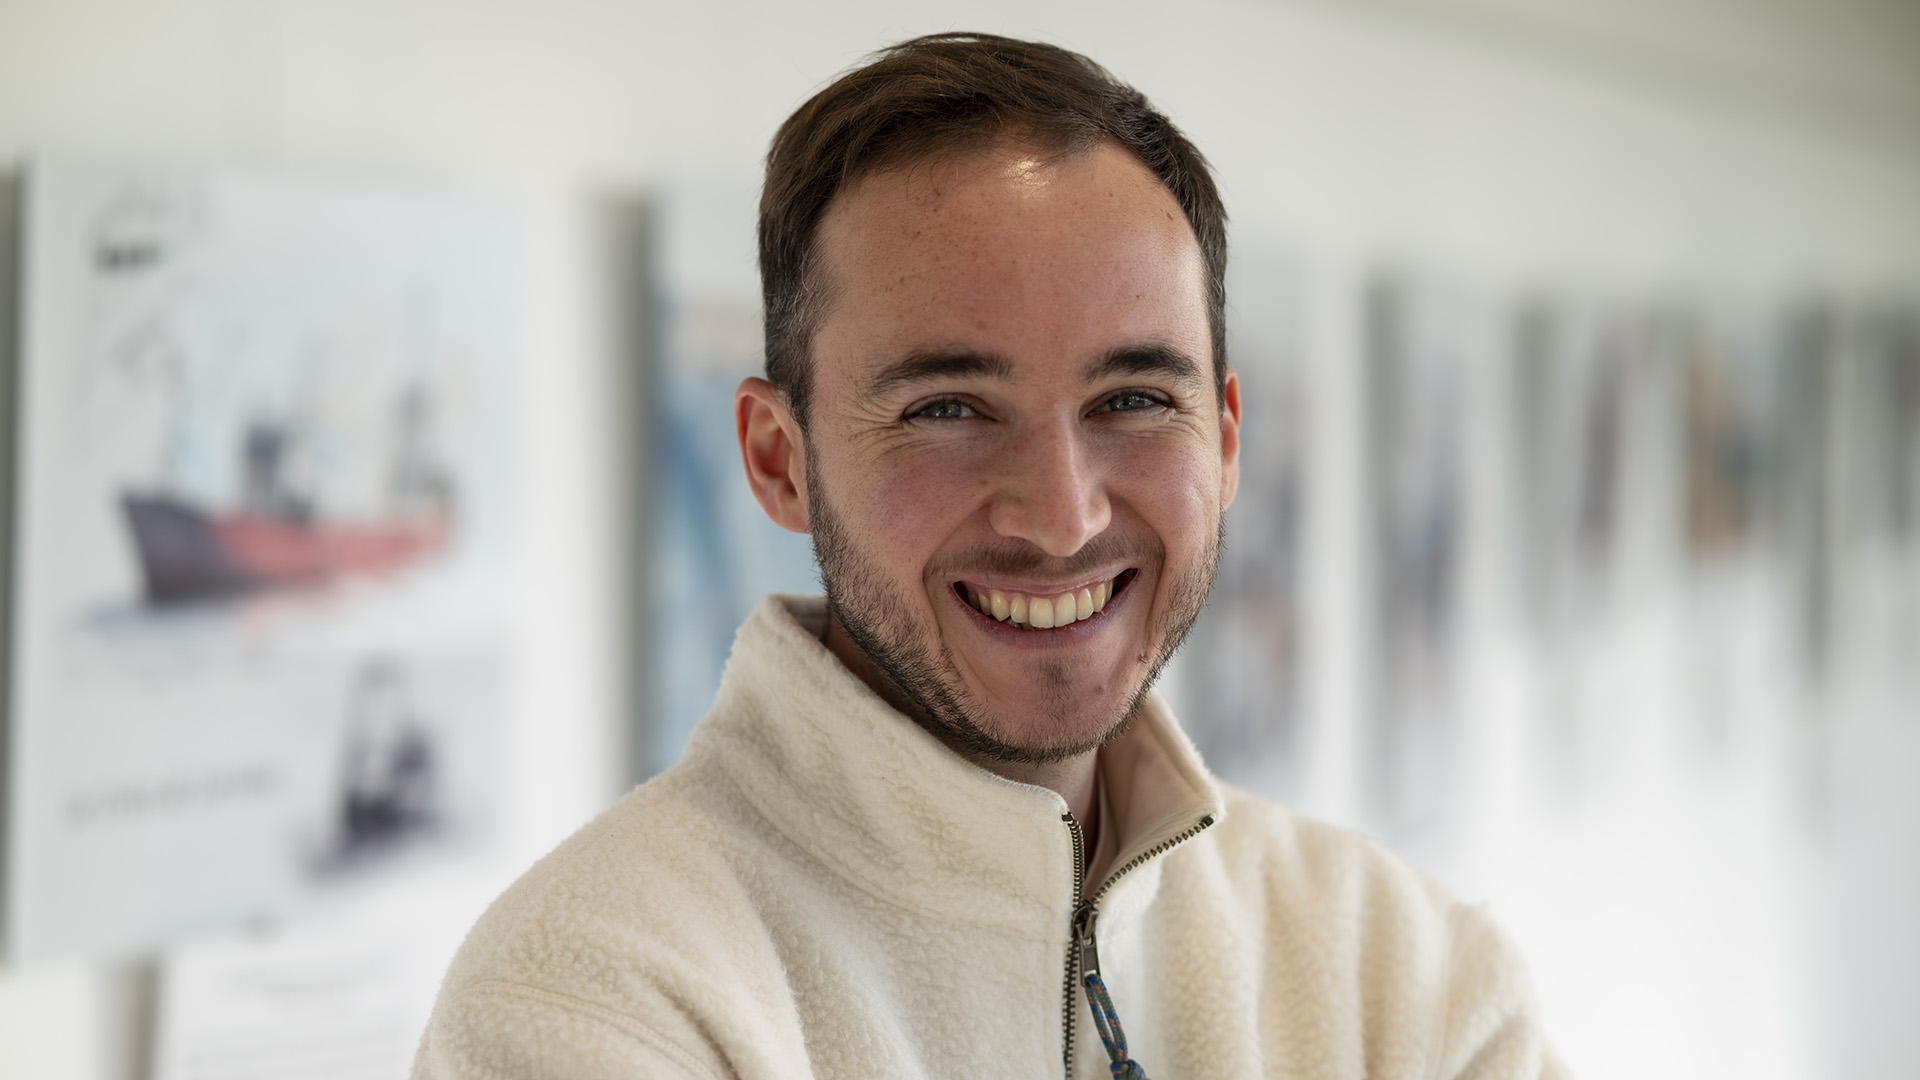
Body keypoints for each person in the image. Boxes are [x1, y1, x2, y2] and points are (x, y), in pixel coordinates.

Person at [413, 33, 1564, 1079]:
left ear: (1223, 442)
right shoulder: (596, 1001)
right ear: (778, 460)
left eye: (1132, 399)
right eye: (948, 409)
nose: (1060, 518)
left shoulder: (1412, 983)